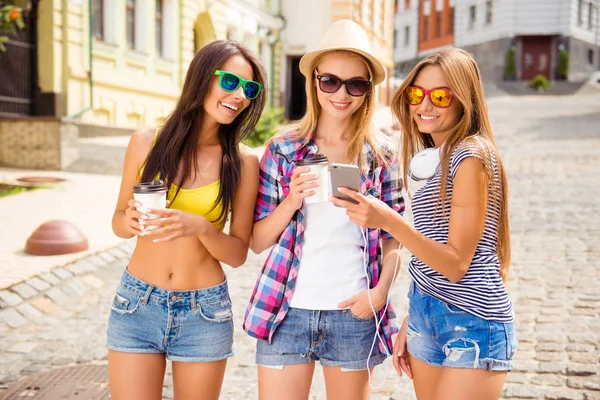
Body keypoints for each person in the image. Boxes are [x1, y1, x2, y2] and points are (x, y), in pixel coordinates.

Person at [331, 47, 517, 400]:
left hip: (474, 323)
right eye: (416, 94)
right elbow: (429, 251)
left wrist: (387, 220)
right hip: (427, 315)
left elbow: (456, 263)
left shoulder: (471, 157)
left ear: (465, 101)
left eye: (441, 96)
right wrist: (415, 319)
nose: (424, 105)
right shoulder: (435, 158)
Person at [244, 20, 405, 400]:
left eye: (356, 84)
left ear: (368, 91)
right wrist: (291, 200)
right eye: (330, 80)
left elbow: (395, 239)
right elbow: (256, 240)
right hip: (286, 311)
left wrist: (379, 294)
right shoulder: (283, 149)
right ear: (314, 80)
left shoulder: (381, 155)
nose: (342, 94)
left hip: (354, 313)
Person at [107, 40, 266, 400]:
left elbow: (238, 253)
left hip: (204, 312)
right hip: (136, 304)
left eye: (249, 89)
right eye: (229, 82)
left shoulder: (243, 162)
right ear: (202, 78)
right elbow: (117, 221)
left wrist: (203, 228)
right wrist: (128, 219)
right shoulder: (146, 141)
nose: (239, 95)